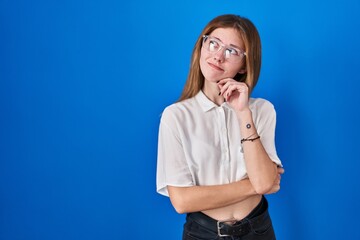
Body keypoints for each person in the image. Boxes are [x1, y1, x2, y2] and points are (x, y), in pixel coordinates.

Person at [156, 14, 284, 240]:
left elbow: (265, 182)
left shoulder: (263, 110)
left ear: (245, 65)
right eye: (213, 43)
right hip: (203, 233)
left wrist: (243, 112)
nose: (218, 55)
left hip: (258, 231)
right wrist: (253, 186)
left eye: (232, 51)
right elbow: (182, 201)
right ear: (201, 47)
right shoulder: (175, 117)